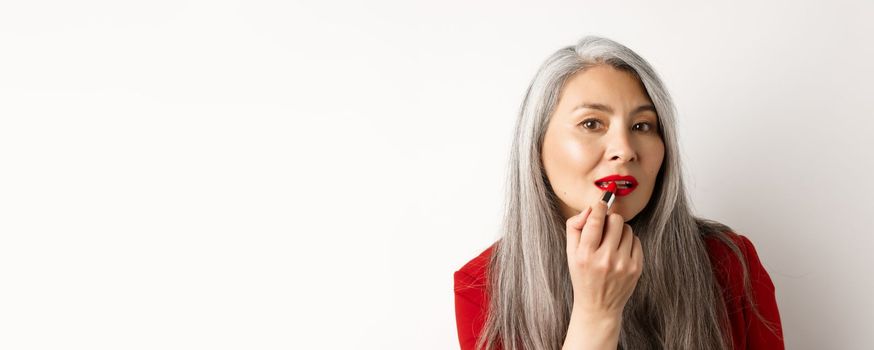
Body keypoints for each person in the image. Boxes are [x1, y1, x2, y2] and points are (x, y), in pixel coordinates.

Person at [453, 36, 784, 350]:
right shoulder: (482, 286)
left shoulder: (729, 261)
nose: (624, 150)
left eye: (642, 126)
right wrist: (596, 313)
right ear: (537, 148)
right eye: (592, 124)